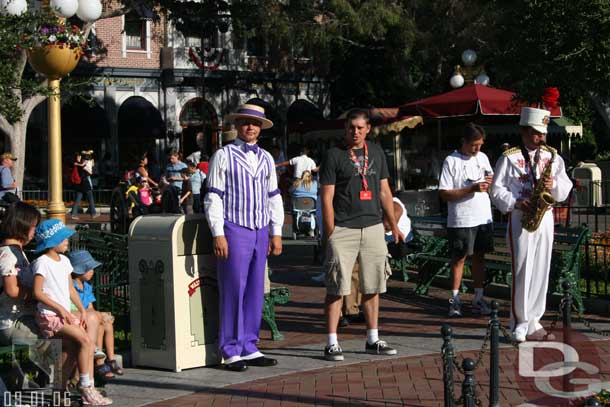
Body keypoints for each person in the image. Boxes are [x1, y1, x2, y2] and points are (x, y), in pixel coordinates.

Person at [319, 108, 404, 361]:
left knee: (373, 284)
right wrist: (330, 232)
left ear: (368, 129)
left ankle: (372, 338)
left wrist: (393, 224)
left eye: (359, 127)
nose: (355, 132)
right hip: (344, 227)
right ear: (345, 130)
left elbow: (385, 191)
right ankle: (332, 342)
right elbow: (327, 197)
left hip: (373, 226)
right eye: (350, 128)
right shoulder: (334, 155)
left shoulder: (376, 152)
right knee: (337, 286)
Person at [204, 103, 284, 372]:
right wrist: (218, 232)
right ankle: (229, 349)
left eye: (256, 123)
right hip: (234, 227)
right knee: (232, 288)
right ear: (237, 125)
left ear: (261, 129)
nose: (250, 127)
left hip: (260, 228)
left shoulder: (267, 159)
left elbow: (274, 196)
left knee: (255, 290)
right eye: (245, 122)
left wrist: (276, 232)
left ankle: (250, 345)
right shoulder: (223, 155)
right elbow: (213, 195)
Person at [491, 107, 573, 343]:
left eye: (542, 133)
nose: (541, 138)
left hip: (545, 216)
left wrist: (553, 182)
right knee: (522, 270)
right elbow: (496, 191)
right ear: (524, 131)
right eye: (536, 133)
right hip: (521, 218)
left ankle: (535, 320)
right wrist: (516, 203)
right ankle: (519, 321)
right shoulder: (508, 157)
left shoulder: (552, 156)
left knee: (541, 269)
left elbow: (565, 188)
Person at [32, 219, 112, 405]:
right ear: (52, 242)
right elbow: (37, 292)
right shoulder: (42, 263)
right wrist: (60, 308)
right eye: (63, 239)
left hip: (64, 315)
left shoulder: (65, 262)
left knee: (74, 349)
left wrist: (82, 310)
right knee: (85, 341)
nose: (67, 241)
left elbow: (70, 289)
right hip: (49, 316)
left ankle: (59, 390)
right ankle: (86, 386)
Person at [438, 123, 494, 317]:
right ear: (464, 142)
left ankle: (478, 299)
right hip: (461, 219)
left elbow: (489, 177)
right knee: (459, 259)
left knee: (480, 258)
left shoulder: (483, 157)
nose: (477, 149)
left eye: (480, 144)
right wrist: (471, 189)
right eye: (473, 145)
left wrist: (489, 182)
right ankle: (454, 301)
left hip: (483, 216)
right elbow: (444, 193)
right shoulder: (451, 161)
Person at [68, 250, 123, 380]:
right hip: (78, 318)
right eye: (89, 269)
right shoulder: (71, 286)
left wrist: (101, 316)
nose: (92, 271)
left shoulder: (87, 286)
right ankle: (99, 362)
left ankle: (110, 358)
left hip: (87, 316)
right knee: (99, 323)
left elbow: (91, 307)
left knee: (107, 323)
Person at [0, 202, 41, 346]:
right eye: (33, 225)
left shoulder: (17, 251)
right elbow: (11, 290)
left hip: (23, 316)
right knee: (54, 338)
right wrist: (37, 294)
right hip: (12, 321)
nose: (35, 230)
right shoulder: (8, 254)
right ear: (23, 225)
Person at [71, 151, 98, 220]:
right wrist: (88, 168)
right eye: (79, 157)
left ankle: (74, 213)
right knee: (90, 198)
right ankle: (93, 213)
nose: (80, 158)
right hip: (84, 183)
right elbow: (89, 172)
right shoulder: (80, 164)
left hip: (80, 183)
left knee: (78, 199)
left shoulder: (79, 164)